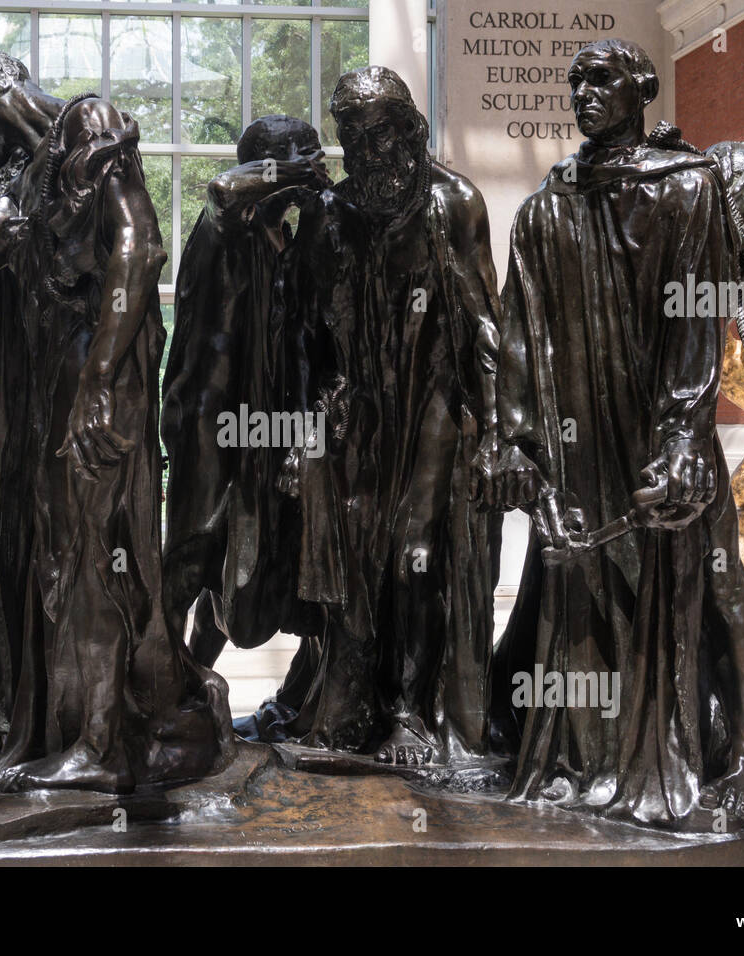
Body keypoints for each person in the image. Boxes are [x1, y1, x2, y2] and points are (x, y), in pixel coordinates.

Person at [0, 50, 229, 804]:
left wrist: (98, 382)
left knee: (91, 554)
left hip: (103, 379)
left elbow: (139, 246)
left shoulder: (90, 122)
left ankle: (101, 746)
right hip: (64, 386)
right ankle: (87, 728)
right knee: (67, 555)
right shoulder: (27, 181)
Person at [485, 38, 744, 830]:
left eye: (603, 79)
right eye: (576, 81)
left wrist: (687, 431)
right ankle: (595, 756)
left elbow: (700, 314)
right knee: (582, 600)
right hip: (581, 452)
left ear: (643, 88)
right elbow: (520, 332)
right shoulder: (547, 208)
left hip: (667, 439)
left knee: (719, 593)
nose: (585, 93)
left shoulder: (687, 188)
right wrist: (513, 438)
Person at [281, 67, 504, 766]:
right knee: (348, 559)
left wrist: (499, 433)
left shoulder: (452, 204)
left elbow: (484, 330)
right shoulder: (331, 217)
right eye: (352, 138)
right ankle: (349, 704)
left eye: (379, 135)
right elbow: (304, 339)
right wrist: (304, 426)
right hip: (354, 414)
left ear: (411, 132)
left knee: (416, 555)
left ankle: (411, 708)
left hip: (434, 405)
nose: (367, 153)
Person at [161, 115, 330, 741]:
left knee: (241, 560)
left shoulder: (279, 240)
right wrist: (298, 174)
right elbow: (225, 189)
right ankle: (154, 688)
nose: (315, 175)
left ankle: (189, 681)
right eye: (300, 163)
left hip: (259, 427)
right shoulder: (225, 224)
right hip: (209, 422)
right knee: (193, 551)